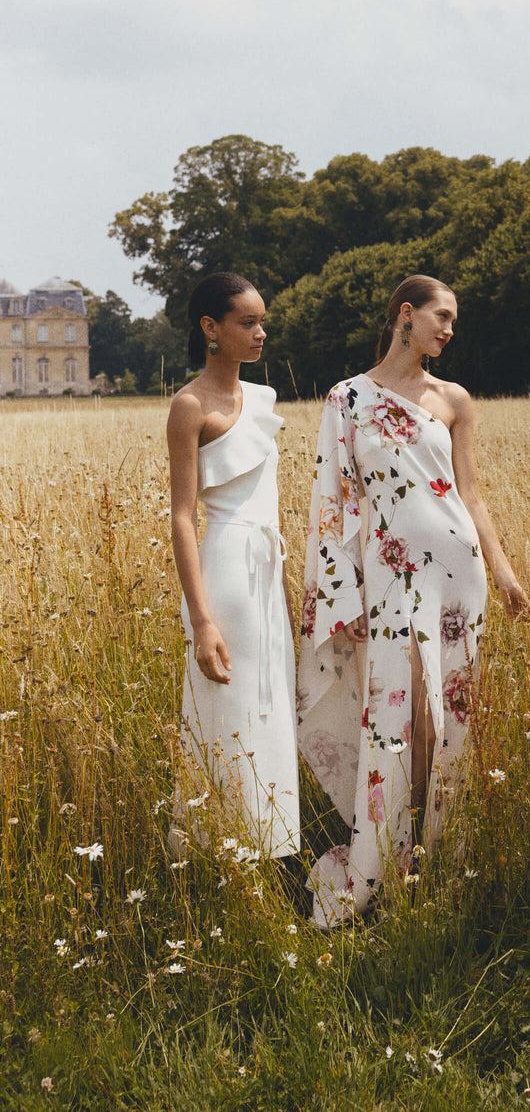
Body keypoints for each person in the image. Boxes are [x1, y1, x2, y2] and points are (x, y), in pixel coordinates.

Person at [298, 274, 530, 926]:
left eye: (454, 321)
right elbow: (333, 505)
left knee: (446, 716)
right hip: (389, 578)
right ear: (408, 314)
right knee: (399, 718)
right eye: (443, 316)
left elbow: (472, 494)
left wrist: (506, 571)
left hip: (459, 576)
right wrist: (339, 596)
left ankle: (434, 855)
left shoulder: (453, 398)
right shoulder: (346, 398)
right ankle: (391, 853)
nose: (450, 330)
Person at [166, 272, 300, 864]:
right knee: (228, 713)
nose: (260, 332)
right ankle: (215, 860)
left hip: (268, 572)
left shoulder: (266, 400)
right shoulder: (189, 405)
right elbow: (180, 517)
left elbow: (270, 506)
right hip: (223, 574)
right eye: (247, 322)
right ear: (210, 329)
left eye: (262, 321)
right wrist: (201, 622)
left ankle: (273, 854)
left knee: (271, 708)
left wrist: (288, 591)